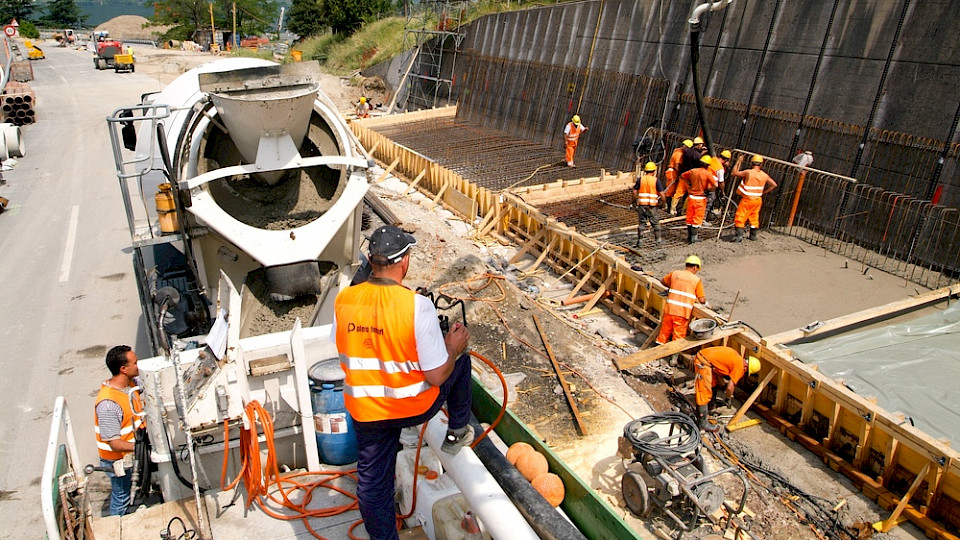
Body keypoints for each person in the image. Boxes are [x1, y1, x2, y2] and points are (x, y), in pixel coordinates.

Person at [333, 225, 472, 540]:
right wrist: (451, 348)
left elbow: (345, 345)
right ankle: (457, 432)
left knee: (372, 485)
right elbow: (436, 375)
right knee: (461, 360)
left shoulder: (344, 300)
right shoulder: (416, 306)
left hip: (368, 410)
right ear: (404, 261)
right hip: (411, 406)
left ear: (371, 260)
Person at [94, 345, 145, 516]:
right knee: (121, 497)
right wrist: (141, 448)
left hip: (130, 455)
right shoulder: (108, 404)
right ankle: (117, 526)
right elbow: (115, 443)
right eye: (135, 363)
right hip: (118, 461)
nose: (139, 366)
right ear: (123, 369)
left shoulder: (131, 384)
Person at [692, 346, 760, 430]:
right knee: (704, 393)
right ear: (746, 367)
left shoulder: (737, 357)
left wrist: (724, 385)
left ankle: (710, 406)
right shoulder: (740, 367)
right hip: (703, 362)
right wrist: (728, 398)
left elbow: (717, 371)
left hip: (706, 359)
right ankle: (702, 423)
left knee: (712, 383)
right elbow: (730, 387)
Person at [657, 255, 706, 347]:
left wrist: (674, 286)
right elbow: (702, 299)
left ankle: (656, 350)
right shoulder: (696, 280)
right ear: (695, 268)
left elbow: (663, 281)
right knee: (678, 336)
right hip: (682, 313)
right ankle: (674, 358)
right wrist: (705, 303)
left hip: (669, 309)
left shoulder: (675, 273)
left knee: (664, 332)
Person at [730, 154, 778, 242]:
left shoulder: (749, 172)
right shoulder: (764, 175)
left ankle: (739, 236)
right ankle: (753, 236)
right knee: (754, 217)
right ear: (761, 164)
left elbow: (734, 173)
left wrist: (739, 161)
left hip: (747, 199)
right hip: (757, 200)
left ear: (752, 163)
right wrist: (763, 192)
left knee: (741, 216)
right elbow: (774, 185)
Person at [679, 155, 718, 244]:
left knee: (689, 218)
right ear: (708, 165)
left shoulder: (693, 171)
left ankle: (689, 237)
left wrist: (688, 185)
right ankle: (693, 238)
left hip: (691, 197)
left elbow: (682, 176)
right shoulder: (708, 174)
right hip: (700, 198)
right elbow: (715, 185)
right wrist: (708, 191)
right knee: (697, 218)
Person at [632, 161, 664, 246]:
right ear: (654, 171)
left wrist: (634, 202)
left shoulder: (640, 179)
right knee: (655, 223)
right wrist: (663, 203)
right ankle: (658, 240)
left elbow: (635, 192)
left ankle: (640, 241)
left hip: (642, 205)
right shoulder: (656, 180)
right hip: (652, 206)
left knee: (642, 223)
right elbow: (662, 194)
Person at [663, 139, 691, 214]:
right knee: (670, 190)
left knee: (672, 190)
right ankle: (667, 207)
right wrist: (679, 174)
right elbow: (677, 165)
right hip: (673, 172)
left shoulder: (677, 150)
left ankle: (669, 207)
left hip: (672, 172)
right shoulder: (679, 153)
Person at [706, 149, 732, 219]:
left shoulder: (713, 160)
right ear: (726, 160)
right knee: (709, 202)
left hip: (702, 182)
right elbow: (721, 182)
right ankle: (703, 219)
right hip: (710, 186)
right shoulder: (720, 168)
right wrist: (723, 191)